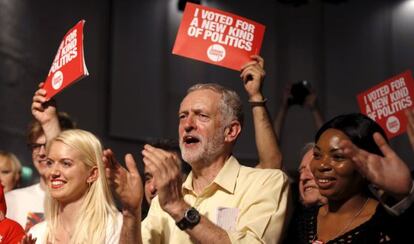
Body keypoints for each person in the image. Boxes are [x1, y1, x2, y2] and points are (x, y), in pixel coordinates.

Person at [105, 82, 291, 243]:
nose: (187, 125)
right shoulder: (165, 198)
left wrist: (178, 207)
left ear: (231, 131)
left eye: (201, 115)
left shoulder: (266, 182)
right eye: (183, 116)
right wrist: (131, 212)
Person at [292, 113, 413, 243]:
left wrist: (404, 197)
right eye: (317, 155)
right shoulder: (302, 220)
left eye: (338, 157)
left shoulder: (385, 226)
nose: (321, 165)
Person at [28, 129, 122, 243]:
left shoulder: (114, 227)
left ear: (93, 174)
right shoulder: (36, 234)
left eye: (66, 163)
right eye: (50, 163)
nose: (53, 172)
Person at [5, 84, 76, 230]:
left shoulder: (82, 202)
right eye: (36, 146)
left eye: (47, 144)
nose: (42, 153)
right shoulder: (11, 200)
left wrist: (50, 123)